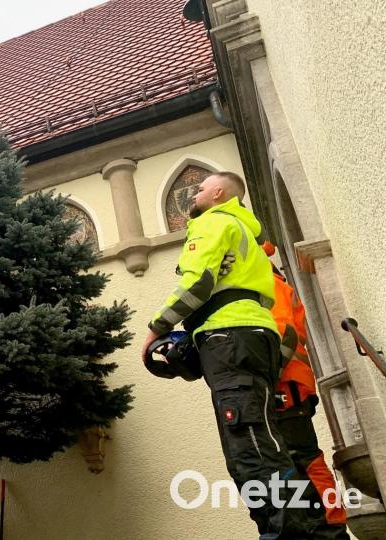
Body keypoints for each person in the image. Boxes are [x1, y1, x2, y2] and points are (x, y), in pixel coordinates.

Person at [142, 171, 331, 537]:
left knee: (255, 455)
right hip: (265, 364)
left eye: (198, 188)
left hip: (253, 363)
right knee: (268, 456)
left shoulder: (215, 224)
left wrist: (157, 328)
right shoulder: (252, 251)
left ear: (217, 194)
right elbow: (276, 329)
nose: (192, 195)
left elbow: (198, 282)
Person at [264, 241, 349, 538]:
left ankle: (331, 526)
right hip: (285, 384)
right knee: (293, 463)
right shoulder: (265, 279)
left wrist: (267, 377)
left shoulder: (265, 280)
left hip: (286, 385)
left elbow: (283, 334)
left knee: (304, 460)